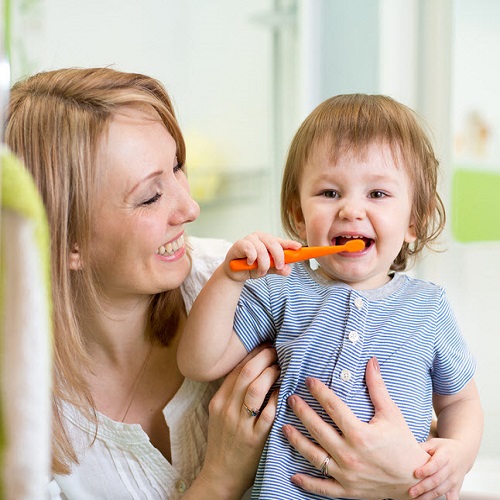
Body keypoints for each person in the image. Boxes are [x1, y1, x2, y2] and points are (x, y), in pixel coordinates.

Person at [178, 94, 483, 499]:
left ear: (413, 221)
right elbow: (200, 362)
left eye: (377, 194)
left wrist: (458, 455)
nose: (351, 210)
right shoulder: (280, 286)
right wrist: (228, 279)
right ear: (299, 215)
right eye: (329, 193)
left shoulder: (429, 309)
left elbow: (460, 402)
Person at [5, 67, 281, 499]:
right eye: (150, 197)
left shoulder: (248, 288)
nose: (189, 208)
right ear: (68, 241)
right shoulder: (18, 407)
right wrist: (220, 480)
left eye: (177, 167)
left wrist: (402, 468)